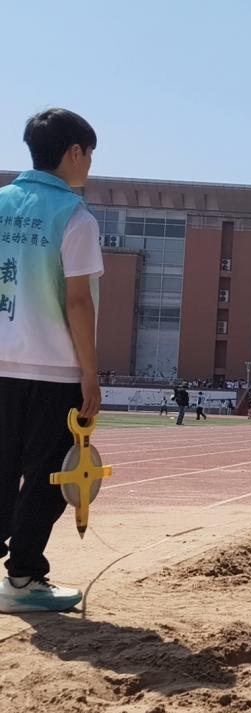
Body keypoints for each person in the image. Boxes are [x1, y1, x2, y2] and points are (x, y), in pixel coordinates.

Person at [0, 108, 102, 613]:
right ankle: (22, 577)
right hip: (54, 369)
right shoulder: (75, 217)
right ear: (74, 152)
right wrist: (90, 374)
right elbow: (78, 301)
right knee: (47, 476)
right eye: (90, 155)